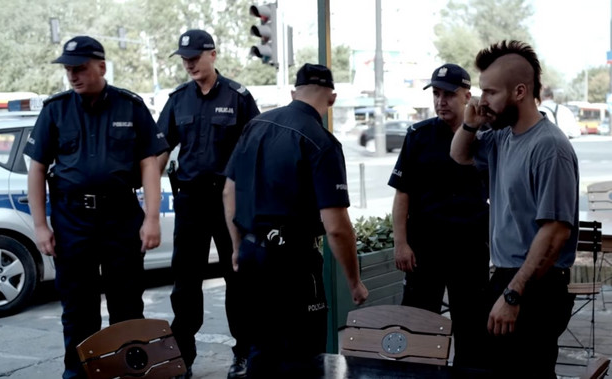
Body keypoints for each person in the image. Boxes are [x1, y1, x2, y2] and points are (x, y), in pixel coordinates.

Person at [24, 35, 168, 379]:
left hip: (120, 218)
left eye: (80, 68)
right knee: (78, 308)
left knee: (128, 306)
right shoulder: (55, 109)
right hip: (73, 221)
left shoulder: (129, 106)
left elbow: (149, 163)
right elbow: (37, 169)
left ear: (101, 67)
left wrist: (151, 218)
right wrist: (41, 226)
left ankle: (132, 373)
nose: (73, 75)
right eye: (68, 70)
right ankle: (79, 374)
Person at [222, 63, 368, 378]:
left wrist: (237, 247)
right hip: (294, 264)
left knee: (259, 349)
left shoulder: (255, 125)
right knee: (302, 356)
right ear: (332, 98)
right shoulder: (321, 142)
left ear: (293, 93)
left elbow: (228, 192)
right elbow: (337, 228)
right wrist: (354, 281)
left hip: (251, 255)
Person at [450, 40, 579, 378]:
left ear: (520, 91)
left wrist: (513, 295)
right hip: (508, 277)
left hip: (536, 284)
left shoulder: (550, 147)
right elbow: (460, 155)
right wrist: (470, 122)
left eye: (490, 93)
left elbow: (555, 232)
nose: (482, 102)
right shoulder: (503, 138)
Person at [156, 29, 260, 379]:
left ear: (212, 55)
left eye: (194, 57)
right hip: (189, 201)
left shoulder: (238, 97)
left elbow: (255, 151)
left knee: (238, 279)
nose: (188, 64)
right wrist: (147, 200)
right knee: (185, 283)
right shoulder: (178, 99)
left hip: (229, 202)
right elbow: (160, 149)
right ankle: (181, 357)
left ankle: (244, 353)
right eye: (184, 58)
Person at [387, 63, 490, 368]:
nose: (441, 101)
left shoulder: (485, 136)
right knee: (417, 326)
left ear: (467, 96)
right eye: (436, 94)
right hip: (425, 249)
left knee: (471, 329)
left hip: (469, 248)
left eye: (448, 94)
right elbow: (402, 192)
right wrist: (400, 243)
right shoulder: (418, 135)